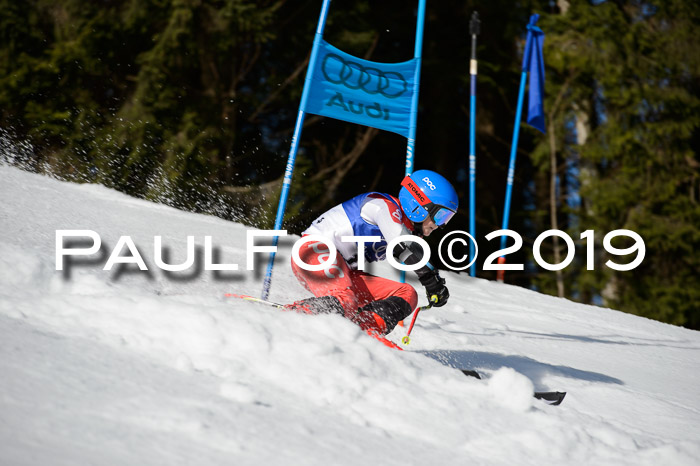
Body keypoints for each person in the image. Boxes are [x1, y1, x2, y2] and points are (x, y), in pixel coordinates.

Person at [285, 169, 458, 336]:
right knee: (346, 300)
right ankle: (291, 316)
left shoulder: (403, 228)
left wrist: (433, 281)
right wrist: (431, 279)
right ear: (419, 205)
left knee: (406, 294)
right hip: (313, 251)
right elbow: (402, 244)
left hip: (342, 272)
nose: (439, 225)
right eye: (440, 215)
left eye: (446, 219)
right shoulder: (381, 205)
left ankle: (364, 332)